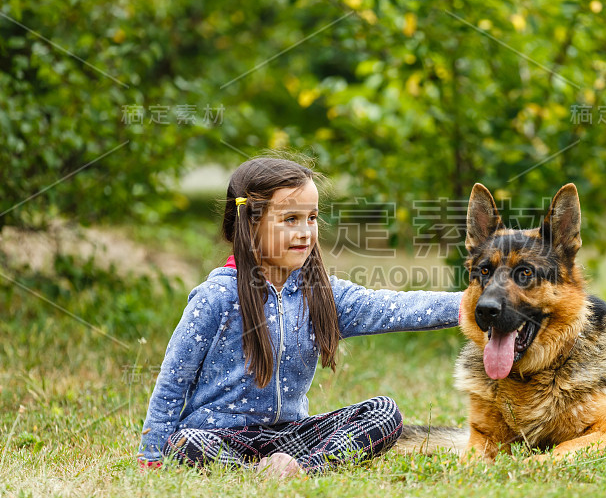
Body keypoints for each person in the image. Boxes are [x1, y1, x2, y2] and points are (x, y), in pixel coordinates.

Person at [137, 156, 462, 478]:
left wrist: (471, 305)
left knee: (384, 413)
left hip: (291, 438)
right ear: (250, 222)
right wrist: (152, 455)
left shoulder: (320, 294)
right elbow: (173, 381)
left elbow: (394, 307)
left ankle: (301, 468)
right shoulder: (216, 296)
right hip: (218, 437)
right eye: (290, 218)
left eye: (312, 218)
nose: (305, 231)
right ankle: (253, 472)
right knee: (184, 443)